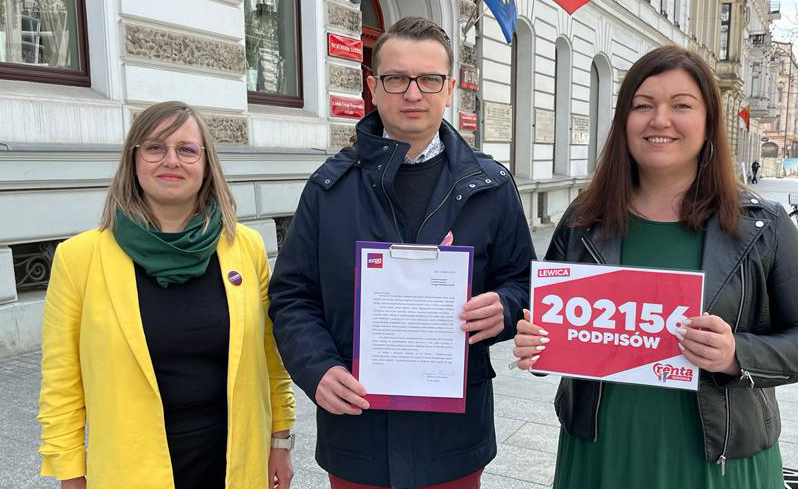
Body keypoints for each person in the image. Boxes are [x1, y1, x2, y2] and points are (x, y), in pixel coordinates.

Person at [512, 46, 798, 488]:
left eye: (681, 106)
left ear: (708, 121)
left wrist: (736, 355)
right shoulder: (584, 220)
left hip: (718, 465)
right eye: (643, 106)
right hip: (600, 456)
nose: (660, 120)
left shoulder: (762, 225)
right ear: (624, 121)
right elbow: (548, 332)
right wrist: (535, 343)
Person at [269, 16, 534, 489]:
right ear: (373, 88)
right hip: (358, 433)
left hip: (453, 440)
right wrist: (318, 369)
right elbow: (292, 297)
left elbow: (524, 283)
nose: (413, 93)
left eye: (429, 79)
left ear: (449, 89)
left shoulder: (490, 187)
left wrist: (506, 308)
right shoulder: (329, 189)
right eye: (396, 78)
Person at [37, 101, 296, 489]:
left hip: (235, 462)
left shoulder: (245, 247)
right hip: (130, 469)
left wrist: (280, 440)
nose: (171, 160)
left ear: (206, 164)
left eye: (187, 149)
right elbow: (61, 384)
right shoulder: (79, 258)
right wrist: (70, 474)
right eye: (155, 147)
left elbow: (270, 358)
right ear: (133, 160)